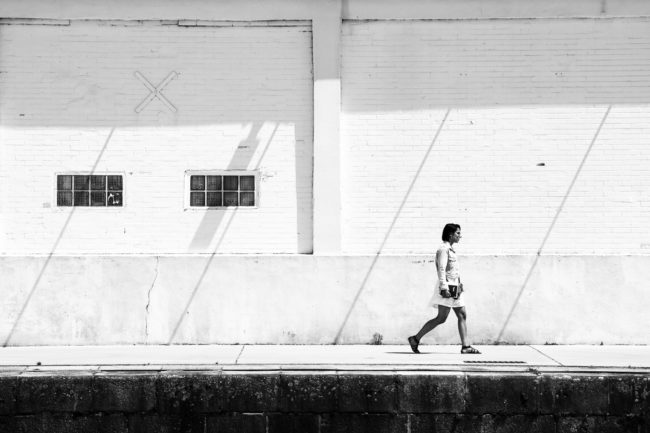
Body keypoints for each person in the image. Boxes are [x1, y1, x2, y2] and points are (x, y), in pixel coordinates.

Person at [408, 223, 481, 354]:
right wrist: (443, 287)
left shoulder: (451, 249)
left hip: (455, 288)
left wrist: (459, 284)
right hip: (447, 289)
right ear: (450, 235)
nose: (460, 236)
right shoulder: (443, 249)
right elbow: (441, 269)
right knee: (441, 318)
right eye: (458, 233)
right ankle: (415, 338)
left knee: (462, 314)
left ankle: (466, 346)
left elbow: (452, 270)